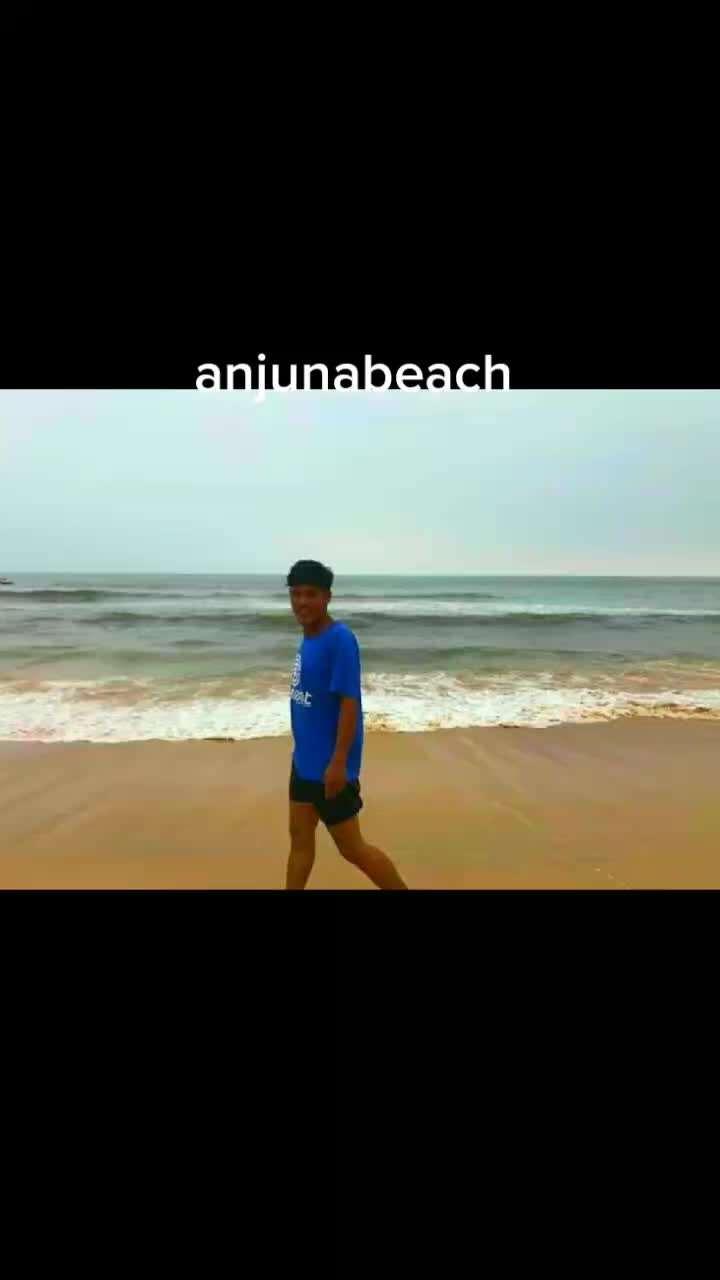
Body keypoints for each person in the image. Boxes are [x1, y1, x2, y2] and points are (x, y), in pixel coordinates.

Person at [285, 559, 408, 890]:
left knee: (353, 849)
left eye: (311, 594)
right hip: (303, 763)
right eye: (296, 594)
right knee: (299, 840)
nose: (302, 602)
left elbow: (349, 704)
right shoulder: (309, 637)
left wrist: (339, 762)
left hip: (329, 770)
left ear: (327, 597)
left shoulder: (339, 640)